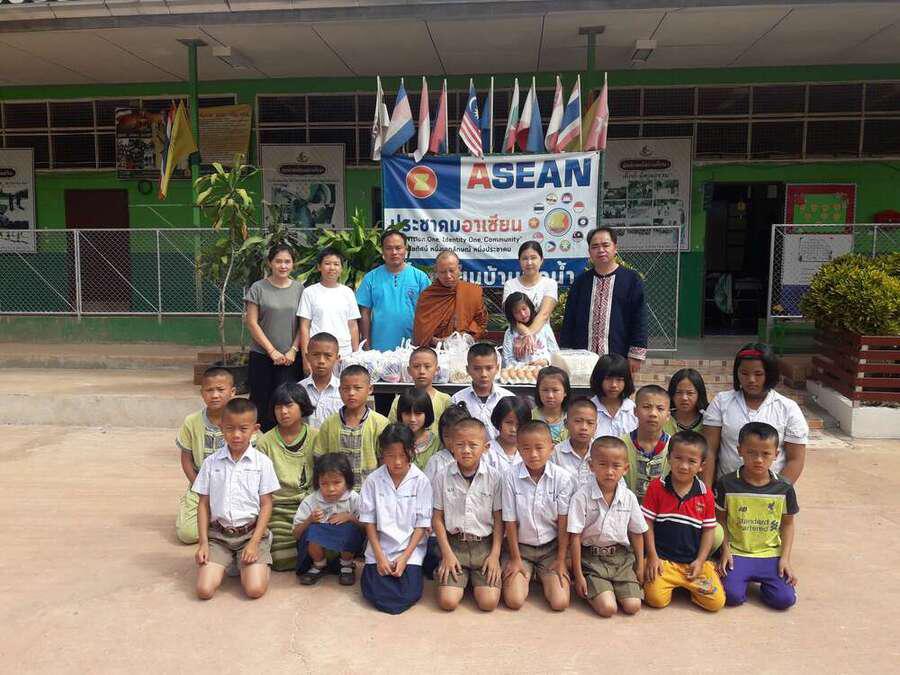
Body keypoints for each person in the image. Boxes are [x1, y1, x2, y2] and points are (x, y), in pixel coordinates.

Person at [192, 398, 279, 600]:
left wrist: (254, 542)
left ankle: (258, 559)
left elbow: (266, 505)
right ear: (221, 427)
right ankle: (231, 561)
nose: (236, 435)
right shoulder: (211, 462)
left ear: (255, 429)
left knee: (254, 590)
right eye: (230, 429)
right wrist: (203, 543)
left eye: (243, 429)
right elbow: (203, 504)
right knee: (204, 591)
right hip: (219, 536)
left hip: (250, 534)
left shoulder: (262, 463)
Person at [715, 422, 798, 610]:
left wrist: (785, 558)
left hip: (770, 554)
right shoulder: (726, 484)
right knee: (731, 597)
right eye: (751, 452)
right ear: (740, 451)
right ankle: (741, 580)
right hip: (737, 552)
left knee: (784, 600)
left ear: (776, 454)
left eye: (766, 454)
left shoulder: (784, 488)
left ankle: (768, 585)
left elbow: (788, 524)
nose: (759, 460)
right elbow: (720, 520)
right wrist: (725, 550)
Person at [703, 342, 808, 486]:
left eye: (758, 374)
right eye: (744, 373)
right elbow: (709, 451)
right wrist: (707, 492)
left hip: (772, 495)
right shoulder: (721, 402)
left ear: (770, 374)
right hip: (726, 490)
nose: (751, 380)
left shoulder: (788, 408)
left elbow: (795, 460)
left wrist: (776, 492)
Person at [642, 431, 725, 612]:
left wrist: (700, 560)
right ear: (669, 459)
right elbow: (647, 523)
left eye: (692, 461)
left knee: (716, 602)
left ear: (702, 466)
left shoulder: (705, 494)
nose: (684, 466)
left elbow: (708, 531)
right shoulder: (656, 487)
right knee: (655, 599)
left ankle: (703, 571)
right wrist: (652, 556)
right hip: (663, 561)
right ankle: (673, 582)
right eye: (678, 458)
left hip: (692, 563)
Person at [568, 436, 648, 617]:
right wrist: (578, 575)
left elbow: (637, 532)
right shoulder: (582, 497)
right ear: (591, 465)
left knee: (633, 606)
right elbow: (575, 536)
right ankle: (598, 589)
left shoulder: (628, 497)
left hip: (621, 559)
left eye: (616, 466)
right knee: (608, 608)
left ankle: (612, 588)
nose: (609, 472)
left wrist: (640, 566)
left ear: (625, 469)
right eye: (603, 465)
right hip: (591, 559)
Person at [431, 418, 504, 612]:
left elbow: (499, 519)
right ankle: (457, 577)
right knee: (448, 602)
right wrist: (447, 554)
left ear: (486, 447)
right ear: (451, 446)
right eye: (460, 445)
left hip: (484, 547)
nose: (466, 450)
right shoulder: (442, 476)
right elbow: (437, 518)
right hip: (454, 546)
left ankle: (474, 581)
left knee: (488, 603)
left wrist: (495, 555)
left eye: (473, 445)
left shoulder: (495, 478)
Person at [359, 425, 433, 614]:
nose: (397, 462)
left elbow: (422, 524)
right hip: (380, 548)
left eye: (402, 455)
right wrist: (380, 556)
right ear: (382, 454)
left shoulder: (421, 481)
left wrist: (405, 557)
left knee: (407, 594)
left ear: (412, 451)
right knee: (374, 593)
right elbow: (369, 522)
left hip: (410, 550)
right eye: (391, 455)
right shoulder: (373, 481)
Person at [501, 420, 574, 612]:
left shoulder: (562, 478)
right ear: (518, 449)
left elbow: (564, 522)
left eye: (539, 448)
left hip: (550, 550)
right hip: (520, 549)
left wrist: (561, 559)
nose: (533, 454)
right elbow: (509, 521)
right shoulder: (509, 477)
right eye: (526, 448)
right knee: (514, 600)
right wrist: (515, 558)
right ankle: (528, 572)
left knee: (560, 602)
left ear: (551, 448)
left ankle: (543, 575)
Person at [356, 229, 430, 414]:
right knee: (383, 404)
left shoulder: (419, 277)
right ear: (383, 251)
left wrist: (422, 343)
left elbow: (429, 312)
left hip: (412, 351)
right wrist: (367, 343)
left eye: (398, 248)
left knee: (412, 406)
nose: (394, 252)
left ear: (406, 250)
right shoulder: (371, 278)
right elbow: (365, 312)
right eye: (389, 248)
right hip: (380, 353)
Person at [559, 227, 648, 375]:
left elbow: (639, 318)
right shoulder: (580, 282)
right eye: (595, 246)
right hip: (583, 361)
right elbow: (569, 320)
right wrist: (566, 353)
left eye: (605, 245)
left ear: (615, 248)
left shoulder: (631, 280)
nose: (601, 250)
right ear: (589, 252)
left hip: (619, 357)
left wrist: (636, 355)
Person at [255, 383, 318, 571]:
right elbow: (261, 484)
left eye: (289, 405)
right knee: (280, 559)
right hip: (278, 508)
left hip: (311, 505)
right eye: (278, 407)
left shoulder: (316, 436)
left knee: (328, 547)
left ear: (302, 406)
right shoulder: (265, 442)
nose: (283, 412)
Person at [245, 243, 304, 432]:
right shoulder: (258, 288)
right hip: (262, 356)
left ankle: (285, 440)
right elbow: (252, 322)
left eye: (287, 261)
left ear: (293, 264)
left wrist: (293, 350)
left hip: (289, 358)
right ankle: (260, 442)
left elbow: (303, 324)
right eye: (278, 261)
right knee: (260, 401)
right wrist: (271, 351)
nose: (283, 266)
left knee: (286, 402)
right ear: (270, 263)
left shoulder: (300, 289)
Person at [175, 366, 235, 545]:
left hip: (234, 486)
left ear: (232, 392)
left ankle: (211, 521)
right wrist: (199, 486)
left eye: (220, 390)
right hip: (201, 485)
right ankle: (194, 510)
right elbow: (186, 459)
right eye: (209, 390)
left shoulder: (241, 419)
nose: (215, 395)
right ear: (202, 393)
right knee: (187, 534)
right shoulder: (191, 422)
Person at [292, 454, 365, 587]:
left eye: (337, 482)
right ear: (317, 482)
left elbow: (366, 529)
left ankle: (346, 565)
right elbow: (296, 534)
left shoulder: (354, 498)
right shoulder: (311, 501)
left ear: (347, 481)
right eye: (324, 483)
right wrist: (310, 520)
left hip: (346, 551)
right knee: (313, 529)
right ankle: (319, 565)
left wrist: (350, 517)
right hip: (316, 552)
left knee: (351, 529)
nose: (331, 489)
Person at [312, 364, 390, 488]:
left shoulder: (380, 424)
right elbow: (319, 458)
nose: (351, 393)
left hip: (370, 490)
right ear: (339, 390)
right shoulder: (329, 424)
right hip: (336, 492)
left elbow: (385, 462)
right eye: (346, 388)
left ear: (370, 389)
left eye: (357, 388)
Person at [422, 403, 472, 579]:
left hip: (467, 529)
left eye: (456, 436)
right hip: (439, 527)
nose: (451, 441)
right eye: (446, 436)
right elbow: (425, 494)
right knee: (432, 552)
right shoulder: (436, 461)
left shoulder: (478, 460)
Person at [413, 250, 487, 347]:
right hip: (435, 350)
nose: (448, 276)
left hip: (463, 348)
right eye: (443, 272)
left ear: (459, 269)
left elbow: (480, 322)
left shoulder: (472, 291)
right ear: (436, 271)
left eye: (452, 271)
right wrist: (438, 342)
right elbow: (421, 332)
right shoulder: (428, 296)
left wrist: (464, 337)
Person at [297, 248, 360, 362]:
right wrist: (306, 359)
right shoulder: (309, 292)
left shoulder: (348, 292)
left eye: (336, 264)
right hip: (318, 353)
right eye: (327, 263)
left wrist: (356, 354)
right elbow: (304, 327)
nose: (332, 268)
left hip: (345, 353)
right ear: (319, 267)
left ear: (341, 268)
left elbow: (353, 325)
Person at [502, 241, 559, 364]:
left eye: (533, 258)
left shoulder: (550, 284)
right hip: (516, 339)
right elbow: (510, 316)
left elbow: (544, 315)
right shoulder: (510, 285)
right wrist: (525, 334)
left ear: (541, 260)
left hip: (543, 340)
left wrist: (527, 336)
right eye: (524, 258)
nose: (529, 262)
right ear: (519, 261)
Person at [450, 342, 513, 440]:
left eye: (489, 368)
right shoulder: (457, 399)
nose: (483, 374)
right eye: (477, 369)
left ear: (497, 368)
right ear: (468, 369)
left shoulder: (508, 398)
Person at [388, 346, 452, 439]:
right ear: (409, 371)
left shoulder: (445, 400)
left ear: (436, 370)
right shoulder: (399, 401)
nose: (422, 371)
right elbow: (393, 431)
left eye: (427, 366)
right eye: (416, 366)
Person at [623, 384, 672, 503]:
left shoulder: (675, 447)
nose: (653, 414)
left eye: (660, 409)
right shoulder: (621, 445)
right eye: (646, 407)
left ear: (668, 416)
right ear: (635, 411)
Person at [550, 397, 599, 488]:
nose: (584, 427)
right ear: (566, 423)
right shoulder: (555, 454)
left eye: (590, 423)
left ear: (596, 427)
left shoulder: (602, 452)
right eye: (578, 421)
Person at [501, 293, 559, 367]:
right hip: (520, 373)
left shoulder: (544, 327)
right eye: (517, 312)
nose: (523, 314)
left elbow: (555, 352)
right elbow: (506, 360)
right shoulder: (510, 333)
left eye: (524, 309)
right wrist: (524, 366)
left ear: (530, 306)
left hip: (545, 371)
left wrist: (546, 361)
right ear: (511, 315)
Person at [299, 332, 342, 430]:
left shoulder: (344, 389)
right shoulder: (299, 389)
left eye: (328, 356)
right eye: (316, 355)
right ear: (307, 357)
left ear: (337, 359)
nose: (321, 361)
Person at [589, 353, 638, 439]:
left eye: (619, 380)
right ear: (599, 379)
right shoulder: (587, 410)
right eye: (608, 379)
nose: (614, 385)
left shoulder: (633, 411)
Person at [484, 395, 531, 476]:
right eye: (508, 423)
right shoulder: (487, 452)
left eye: (518, 424)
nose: (513, 429)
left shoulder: (530, 451)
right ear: (499, 421)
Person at [396, 388, 440, 470]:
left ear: (427, 414)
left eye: (418, 414)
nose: (412, 419)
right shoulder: (394, 441)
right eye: (407, 413)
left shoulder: (438, 444)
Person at [664, 368, 709, 436]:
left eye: (690, 393)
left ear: (699, 394)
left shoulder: (708, 420)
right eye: (679, 392)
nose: (684, 398)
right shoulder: (663, 419)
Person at [532, 366, 570, 445]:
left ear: (565, 392)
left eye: (555, 390)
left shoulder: (572, 418)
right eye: (545, 390)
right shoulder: (530, 417)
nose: (550, 395)